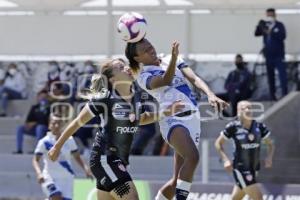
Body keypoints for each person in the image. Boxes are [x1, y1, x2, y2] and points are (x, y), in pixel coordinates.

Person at [48, 58, 183, 200]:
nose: (126, 68)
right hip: (105, 159)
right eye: (120, 67)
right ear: (112, 80)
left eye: (125, 65)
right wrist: (57, 147)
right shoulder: (105, 98)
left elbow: (141, 119)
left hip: (120, 161)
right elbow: (77, 123)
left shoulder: (136, 95)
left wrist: (166, 112)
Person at [125, 39, 228, 200]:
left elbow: (194, 78)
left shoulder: (169, 58)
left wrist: (210, 94)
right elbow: (165, 80)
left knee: (175, 182)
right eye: (146, 50)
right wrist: (173, 59)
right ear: (137, 58)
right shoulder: (144, 76)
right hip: (173, 119)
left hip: (193, 118)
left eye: (151, 46)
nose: (151, 50)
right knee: (193, 157)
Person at [215, 101, 275, 200]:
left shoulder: (260, 127)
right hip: (241, 169)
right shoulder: (233, 127)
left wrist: (269, 157)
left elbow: (271, 144)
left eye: (249, 108)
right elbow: (218, 143)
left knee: (236, 198)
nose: (247, 110)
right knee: (258, 197)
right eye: (243, 108)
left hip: (254, 169)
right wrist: (225, 159)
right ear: (238, 111)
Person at [32, 114, 93, 200]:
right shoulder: (44, 142)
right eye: (54, 123)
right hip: (49, 177)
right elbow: (35, 160)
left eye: (59, 123)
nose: (56, 126)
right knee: (56, 196)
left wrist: (86, 169)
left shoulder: (70, 140)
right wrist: (39, 173)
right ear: (49, 125)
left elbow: (77, 156)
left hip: (67, 178)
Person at [255, 8, 287, 100]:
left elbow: (283, 36)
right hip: (268, 56)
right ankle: (272, 96)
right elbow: (256, 34)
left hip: (279, 56)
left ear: (275, 15)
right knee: (270, 77)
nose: (269, 17)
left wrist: (271, 32)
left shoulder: (279, 25)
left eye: (271, 15)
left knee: (282, 76)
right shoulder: (265, 26)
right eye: (268, 15)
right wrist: (259, 26)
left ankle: (285, 95)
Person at [13, 90, 50, 154]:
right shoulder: (34, 107)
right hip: (35, 129)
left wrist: (35, 123)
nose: (42, 99)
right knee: (20, 128)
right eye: (41, 97)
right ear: (38, 97)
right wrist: (28, 124)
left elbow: (46, 121)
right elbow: (28, 120)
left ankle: (38, 150)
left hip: (45, 129)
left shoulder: (50, 107)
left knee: (40, 127)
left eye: (44, 97)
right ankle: (19, 149)